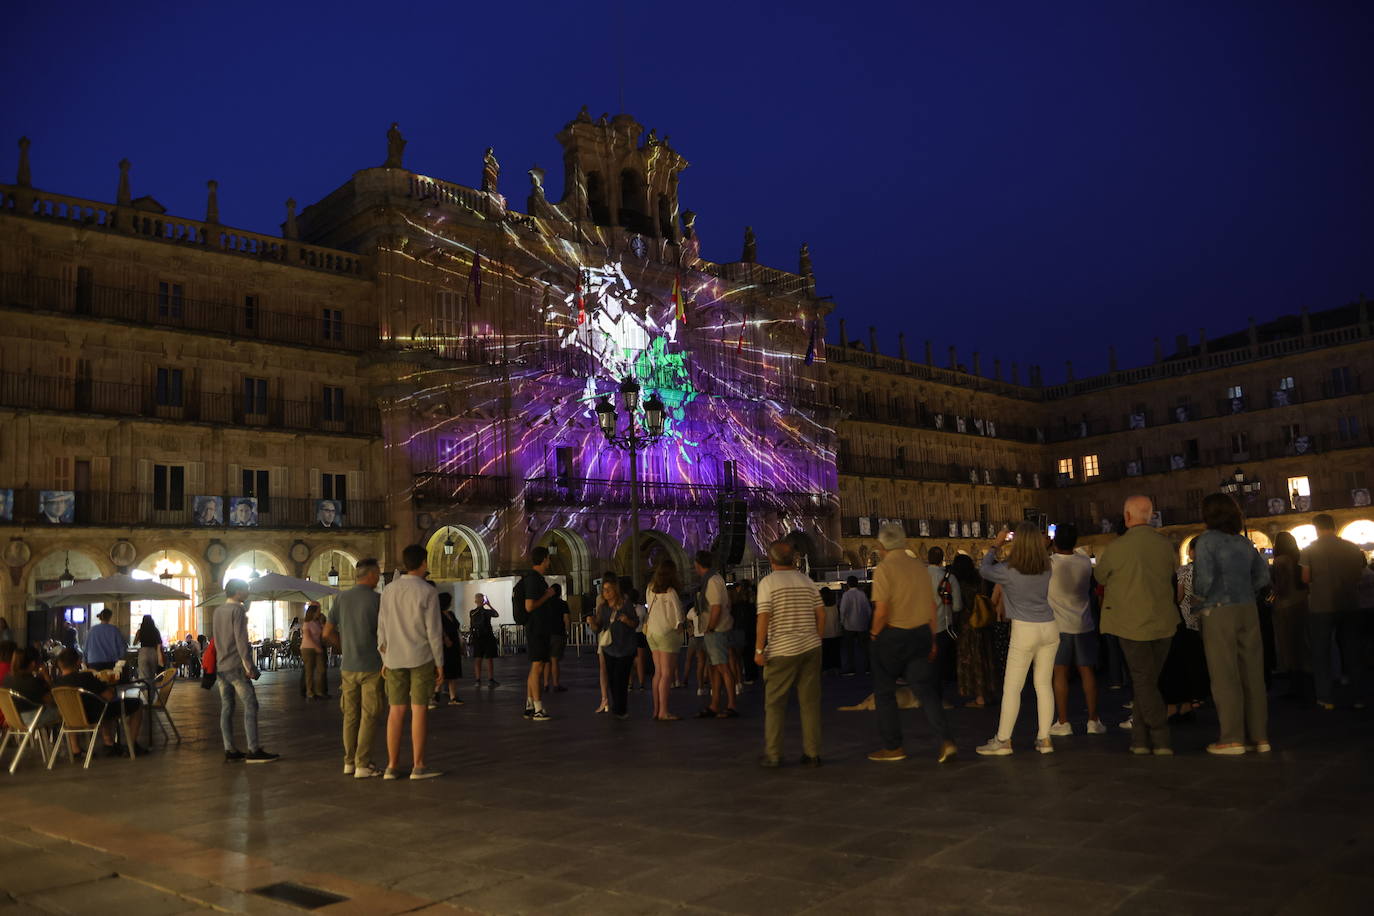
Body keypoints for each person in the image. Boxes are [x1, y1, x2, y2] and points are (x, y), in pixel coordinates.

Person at [1094, 495, 1180, 755]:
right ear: (1150, 515)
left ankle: (1160, 735)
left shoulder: (1117, 547)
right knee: (1148, 680)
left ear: (1128, 516)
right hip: (1164, 621)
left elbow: (1099, 575)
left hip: (1130, 623)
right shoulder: (1165, 545)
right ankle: (1140, 740)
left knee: (1142, 681)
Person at [866, 524, 957, 764]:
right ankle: (946, 740)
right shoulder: (919, 568)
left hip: (894, 636)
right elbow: (930, 605)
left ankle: (893, 747)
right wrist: (932, 638)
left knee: (885, 691)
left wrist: (874, 634)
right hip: (921, 635)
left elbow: (882, 610)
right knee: (925, 690)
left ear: (882, 546)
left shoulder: (884, 569)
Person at [1192, 493, 1272, 755]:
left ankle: (1232, 738)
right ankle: (1260, 737)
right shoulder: (1244, 543)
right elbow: (1262, 578)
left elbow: (1203, 580)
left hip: (1219, 610)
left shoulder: (1206, 542)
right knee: (1252, 673)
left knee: (1225, 674)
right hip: (1248, 608)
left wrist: (1198, 601)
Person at [976, 523, 1057, 756]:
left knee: (1013, 688)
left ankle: (1003, 740)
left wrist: (997, 543)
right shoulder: (1046, 566)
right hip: (1049, 627)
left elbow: (984, 569)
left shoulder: (1008, 569)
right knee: (1043, 685)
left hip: (1024, 629)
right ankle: (1044, 739)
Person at [754, 539, 825, 767]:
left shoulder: (768, 583)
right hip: (810, 648)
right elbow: (821, 613)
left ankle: (774, 754)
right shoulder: (807, 581)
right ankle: (812, 753)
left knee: (775, 704)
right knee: (810, 704)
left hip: (782, 650)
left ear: (771, 559)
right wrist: (817, 638)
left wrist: (758, 649)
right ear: (793, 558)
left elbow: (763, 617)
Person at [378, 545, 444, 779]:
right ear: (424, 563)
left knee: (395, 711)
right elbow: (434, 631)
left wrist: (384, 657)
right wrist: (440, 663)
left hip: (394, 658)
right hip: (421, 657)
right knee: (419, 710)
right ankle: (418, 765)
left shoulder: (389, 590)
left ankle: (391, 766)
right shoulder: (428, 592)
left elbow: (382, 628)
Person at [323, 558, 385, 778]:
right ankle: (363, 763)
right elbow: (385, 634)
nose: (378, 578)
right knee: (369, 715)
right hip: (372, 666)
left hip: (348, 666)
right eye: (377, 574)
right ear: (370, 575)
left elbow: (326, 633)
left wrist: (342, 647)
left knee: (350, 715)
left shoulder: (340, 598)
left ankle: (349, 762)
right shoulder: (378, 600)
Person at [1301, 513, 1368, 710]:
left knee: (1321, 653)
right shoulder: (1351, 547)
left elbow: (1305, 578)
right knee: (1353, 651)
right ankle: (1359, 697)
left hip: (1321, 605)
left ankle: (1325, 697)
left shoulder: (1309, 549)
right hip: (1349, 603)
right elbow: (1358, 574)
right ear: (1334, 526)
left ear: (1316, 528)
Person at [1047, 525, 1105, 736]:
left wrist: (1047, 546)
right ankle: (1093, 720)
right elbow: (1080, 552)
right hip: (1084, 623)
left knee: (1060, 672)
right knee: (1087, 671)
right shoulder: (1083, 561)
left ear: (1055, 542)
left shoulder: (1050, 563)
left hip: (1058, 626)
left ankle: (1063, 722)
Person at [212, 579, 279, 763]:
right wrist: (249, 666)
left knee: (227, 707)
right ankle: (253, 748)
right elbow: (241, 640)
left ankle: (229, 748)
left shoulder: (218, 611)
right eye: (246, 589)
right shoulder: (237, 610)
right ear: (238, 591)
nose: (248, 592)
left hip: (221, 666)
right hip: (235, 665)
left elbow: (217, 640)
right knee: (251, 704)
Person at [52, 647, 146, 757]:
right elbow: (110, 696)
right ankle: (131, 745)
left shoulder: (56, 683)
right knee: (136, 704)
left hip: (69, 717)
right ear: (78, 662)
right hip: (93, 716)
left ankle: (77, 749)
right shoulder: (85, 677)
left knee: (97, 706)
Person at [1159, 539, 1209, 721]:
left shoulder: (1185, 571)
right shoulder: (1211, 571)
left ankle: (1180, 704)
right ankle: (1198, 698)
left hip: (1187, 620)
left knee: (1187, 662)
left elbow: (1178, 597)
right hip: (1207, 618)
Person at [695, 552, 739, 719]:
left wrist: (710, 627)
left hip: (716, 629)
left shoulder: (712, 581)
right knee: (714, 667)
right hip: (717, 628)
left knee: (722, 666)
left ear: (698, 564)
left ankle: (731, 704)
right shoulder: (714, 578)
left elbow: (716, 607)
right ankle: (714, 704)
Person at [589, 575, 640, 719]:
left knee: (621, 679)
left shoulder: (626, 604)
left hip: (625, 648)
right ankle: (618, 706)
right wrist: (592, 622)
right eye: (604, 590)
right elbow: (598, 628)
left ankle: (621, 708)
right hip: (609, 648)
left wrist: (627, 620)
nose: (606, 592)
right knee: (612, 678)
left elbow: (635, 623)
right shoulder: (603, 607)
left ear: (615, 590)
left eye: (608, 590)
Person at [519, 547, 557, 722]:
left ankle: (529, 705)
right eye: (548, 559)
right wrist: (547, 595)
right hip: (537, 628)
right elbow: (529, 606)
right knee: (537, 668)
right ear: (543, 559)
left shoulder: (531, 578)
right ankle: (538, 708)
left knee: (535, 667)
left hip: (537, 628)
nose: (549, 563)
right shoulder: (534, 579)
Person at [952, 554, 994, 707]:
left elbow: (957, 605)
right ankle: (987, 692)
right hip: (982, 621)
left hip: (967, 624)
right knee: (984, 657)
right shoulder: (979, 579)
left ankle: (979, 697)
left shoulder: (959, 582)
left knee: (972, 660)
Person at [645, 560, 685, 721]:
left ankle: (656, 710)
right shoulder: (670, 592)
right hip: (667, 634)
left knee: (658, 673)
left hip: (652, 634)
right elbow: (678, 616)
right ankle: (664, 711)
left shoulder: (650, 589)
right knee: (667, 673)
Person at [1269, 531, 1309, 692]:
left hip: (1286, 604)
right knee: (1300, 641)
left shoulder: (1280, 561)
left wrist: (1273, 592)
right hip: (1301, 600)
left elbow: (1282, 585)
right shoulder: (1297, 558)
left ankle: (1295, 682)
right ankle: (1304, 676)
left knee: (1287, 643)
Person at [2, 646, 60, 730]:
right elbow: (52, 701)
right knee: (65, 712)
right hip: (31, 718)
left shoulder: (7, 679)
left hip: (12, 717)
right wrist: (46, 676)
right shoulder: (33, 682)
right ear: (33, 664)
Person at [927, 547, 960, 689]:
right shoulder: (949, 578)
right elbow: (957, 606)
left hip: (921, 627)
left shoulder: (917, 576)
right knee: (939, 666)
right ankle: (937, 697)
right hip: (943, 627)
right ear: (942, 559)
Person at [434, 592, 465, 707]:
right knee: (444, 670)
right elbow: (438, 628)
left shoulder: (450, 614)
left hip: (454, 645)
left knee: (453, 672)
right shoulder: (437, 615)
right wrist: (445, 638)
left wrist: (461, 642)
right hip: (445, 646)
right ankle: (436, 692)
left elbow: (456, 628)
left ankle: (453, 696)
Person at [838, 576, 872, 676]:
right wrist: (867, 621)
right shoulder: (862, 594)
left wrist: (842, 622)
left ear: (848, 584)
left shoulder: (846, 595)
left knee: (849, 648)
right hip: (862, 624)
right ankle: (868, 667)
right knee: (864, 648)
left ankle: (850, 668)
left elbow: (843, 610)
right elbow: (868, 609)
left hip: (849, 625)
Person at [543, 584, 570, 694]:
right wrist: (567, 631)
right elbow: (566, 619)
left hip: (546, 634)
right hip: (558, 634)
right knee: (554, 660)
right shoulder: (563, 604)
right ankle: (555, 684)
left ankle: (545, 684)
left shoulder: (545, 603)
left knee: (546, 660)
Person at [468, 594, 499, 687]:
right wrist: (489, 605)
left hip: (477, 638)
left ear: (475, 601)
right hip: (488, 637)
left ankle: (478, 680)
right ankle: (490, 679)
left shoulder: (472, 612)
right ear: (484, 601)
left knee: (478, 658)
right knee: (489, 659)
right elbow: (496, 614)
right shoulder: (487, 612)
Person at [732, 582, 759, 685]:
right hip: (751, 629)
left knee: (744, 655)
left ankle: (748, 676)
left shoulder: (738, 605)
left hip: (742, 630)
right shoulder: (751, 605)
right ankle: (753, 674)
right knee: (750, 652)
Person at [301, 605, 327, 699]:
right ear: (313, 612)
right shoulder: (306, 624)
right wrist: (317, 647)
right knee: (309, 671)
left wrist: (323, 623)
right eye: (318, 611)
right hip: (308, 649)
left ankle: (319, 691)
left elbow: (323, 632)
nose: (319, 612)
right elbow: (307, 637)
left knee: (321, 670)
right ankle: (310, 692)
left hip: (318, 647)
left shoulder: (317, 623)